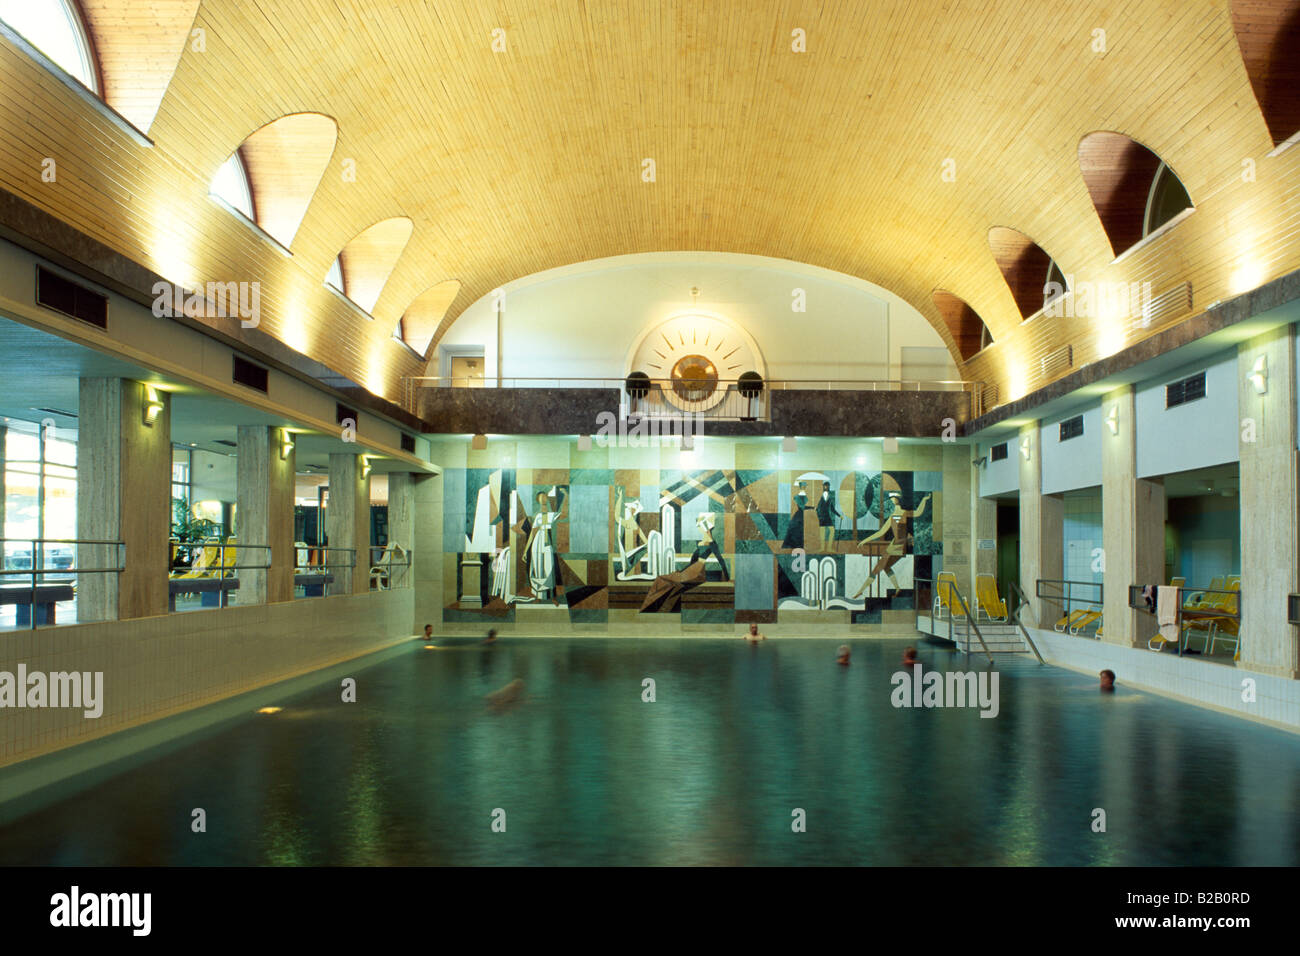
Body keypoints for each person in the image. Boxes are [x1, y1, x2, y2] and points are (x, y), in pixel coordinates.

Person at [853, 490, 932, 599]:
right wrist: (865, 540)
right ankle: (896, 588)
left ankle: (861, 590)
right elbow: (881, 532)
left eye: (893, 498)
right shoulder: (892, 517)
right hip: (894, 544)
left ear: (897, 500)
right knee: (884, 567)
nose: (891, 501)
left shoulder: (904, 513)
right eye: (891, 499)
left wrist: (924, 500)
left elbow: (918, 512)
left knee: (879, 567)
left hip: (900, 545)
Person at [685, 512, 729, 580]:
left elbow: (708, 532)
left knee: (720, 561)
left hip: (710, 544)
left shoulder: (704, 524)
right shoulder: (700, 526)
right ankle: (688, 574)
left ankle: (726, 577)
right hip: (708, 545)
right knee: (695, 559)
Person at [816, 481, 841, 552]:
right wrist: (819, 517)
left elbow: (832, 509)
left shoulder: (830, 498)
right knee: (822, 532)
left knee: (832, 530)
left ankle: (829, 548)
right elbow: (817, 509)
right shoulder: (821, 497)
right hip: (822, 518)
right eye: (825, 486)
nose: (827, 487)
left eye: (828, 486)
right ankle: (822, 548)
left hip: (827, 517)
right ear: (823, 487)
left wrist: (839, 516)